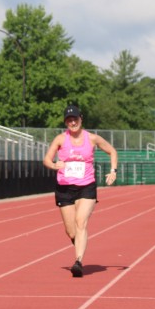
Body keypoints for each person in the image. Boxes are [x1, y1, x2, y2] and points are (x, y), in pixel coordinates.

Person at [42, 104, 118, 278]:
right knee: (71, 231)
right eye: (69, 120)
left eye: (75, 119)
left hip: (86, 186)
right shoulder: (60, 139)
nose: (72, 122)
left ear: (81, 119)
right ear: (65, 122)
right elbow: (46, 159)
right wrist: (54, 165)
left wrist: (113, 171)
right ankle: (80, 246)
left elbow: (112, 151)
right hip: (64, 188)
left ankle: (78, 261)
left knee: (80, 221)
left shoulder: (92, 138)